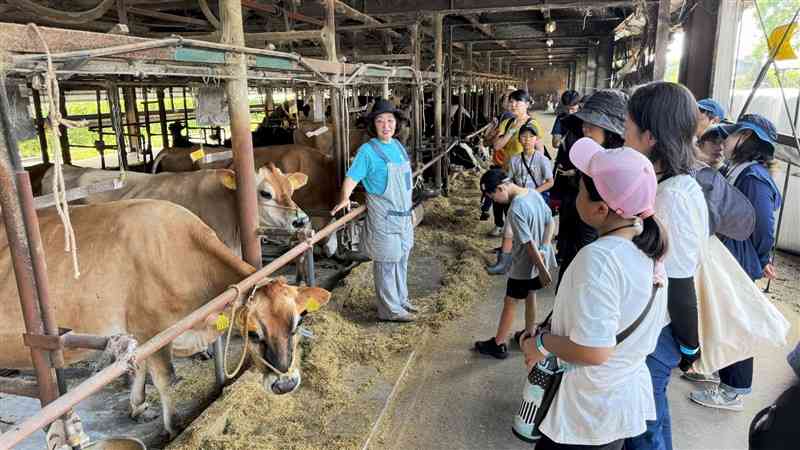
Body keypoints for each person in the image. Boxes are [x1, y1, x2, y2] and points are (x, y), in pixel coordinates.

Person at [520, 138, 668, 450]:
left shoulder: (600, 259)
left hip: (585, 411)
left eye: (582, 190)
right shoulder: (648, 250)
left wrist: (540, 344)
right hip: (615, 403)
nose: (575, 196)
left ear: (601, 209)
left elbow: (594, 351)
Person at [623, 82, 709, 450]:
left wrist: (690, 344)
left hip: (658, 331)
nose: (622, 135)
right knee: (650, 414)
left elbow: (679, 281)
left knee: (643, 424)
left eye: (627, 127)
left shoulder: (671, 197)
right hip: (652, 323)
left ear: (650, 136)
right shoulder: (667, 184)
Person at [688, 114, 782, 411]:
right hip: (729, 253)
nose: (722, 142)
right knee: (724, 317)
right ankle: (719, 370)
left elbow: (763, 227)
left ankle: (734, 389)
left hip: (739, 257)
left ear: (744, 138)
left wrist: (759, 258)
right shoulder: (738, 169)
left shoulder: (753, 177)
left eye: (727, 136)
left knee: (738, 321)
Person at [331, 99, 417, 322]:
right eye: (380, 121)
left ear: (396, 124)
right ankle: (389, 310)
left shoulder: (398, 146)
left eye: (390, 121)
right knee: (387, 263)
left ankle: (401, 299)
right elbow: (352, 177)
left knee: (402, 259)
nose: (386, 125)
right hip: (385, 218)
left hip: (405, 216)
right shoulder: (367, 151)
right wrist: (345, 197)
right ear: (373, 125)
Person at [475, 169, 554, 359]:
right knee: (530, 294)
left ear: (501, 188)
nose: (494, 200)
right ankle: (529, 334)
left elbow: (527, 243)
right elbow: (550, 222)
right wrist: (544, 249)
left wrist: (541, 268)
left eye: (492, 196)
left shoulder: (516, 208)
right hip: (538, 260)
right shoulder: (533, 193)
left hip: (524, 264)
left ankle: (499, 343)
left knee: (510, 302)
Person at [555, 89, 627, 290]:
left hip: (593, 241)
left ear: (611, 131)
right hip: (575, 230)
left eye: (592, 124)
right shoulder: (592, 159)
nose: (585, 129)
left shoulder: (620, 173)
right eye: (584, 123)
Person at [487, 124, 554, 274]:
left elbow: (550, 182)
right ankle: (503, 263)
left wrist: (532, 193)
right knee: (509, 228)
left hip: (536, 198)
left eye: (531, 137)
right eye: (524, 137)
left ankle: (537, 261)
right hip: (518, 198)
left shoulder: (542, 160)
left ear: (536, 139)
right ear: (519, 139)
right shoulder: (515, 160)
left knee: (535, 230)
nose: (527, 140)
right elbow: (510, 180)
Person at [487, 90, 543, 237]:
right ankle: (501, 227)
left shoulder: (533, 124)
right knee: (502, 200)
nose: (513, 105)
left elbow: (539, 149)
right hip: (506, 170)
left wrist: (537, 171)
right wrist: (512, 130)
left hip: (524, 173)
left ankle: (516, 237)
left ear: (527, 104)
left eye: (518, 102)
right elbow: (497, 146)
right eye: (511, 101)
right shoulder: (507, 123)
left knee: (519, 207)